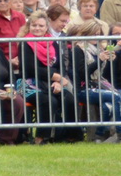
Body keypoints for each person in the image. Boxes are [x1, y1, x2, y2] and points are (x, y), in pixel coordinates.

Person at [16, 12, 81, 142]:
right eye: (34, 25)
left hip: (52, 82)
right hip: (30, 83)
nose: (37, 28)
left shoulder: (52, 43)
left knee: (69, 99)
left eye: (41, 26)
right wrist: (55, 77)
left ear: (46, 27)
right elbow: (30, 69)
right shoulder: (25, 44)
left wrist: (59, 82)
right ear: (29, 26)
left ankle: (71, 136)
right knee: (49, 101)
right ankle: (41, 137)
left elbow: (61, 65)